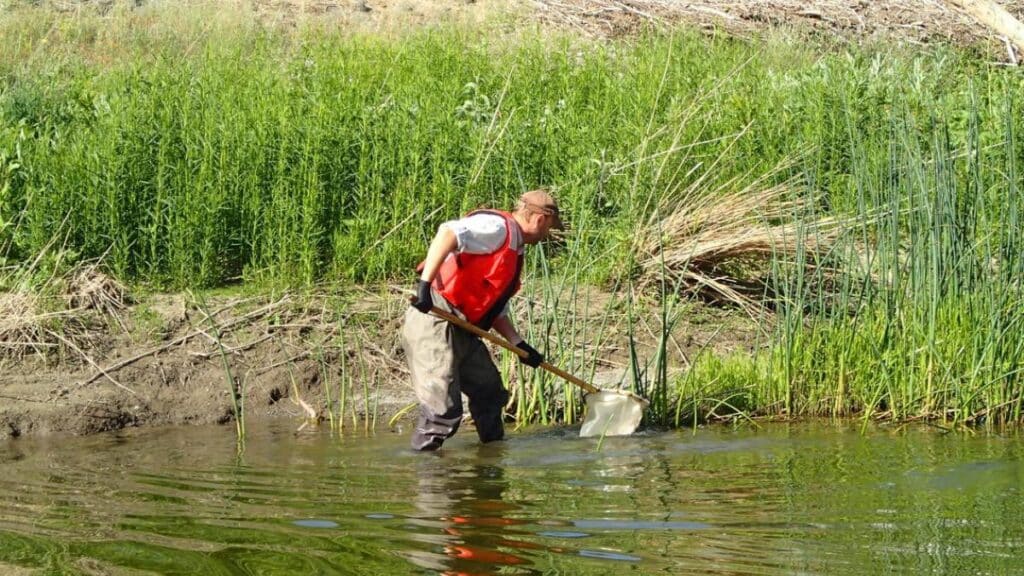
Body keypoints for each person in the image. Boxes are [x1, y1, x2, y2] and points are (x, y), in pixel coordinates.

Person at [402, 189, 564, 451]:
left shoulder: (515, 249)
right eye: (550, 227)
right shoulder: (498, 228)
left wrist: (519, 344)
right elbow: (449, 233)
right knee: (441, 412)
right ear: (539, 220)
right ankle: (428, 476)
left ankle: (491, 460)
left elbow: (494, 308)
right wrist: (424, 285)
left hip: (464, 327)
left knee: (489, 394)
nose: (547, 234)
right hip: (435, 316)